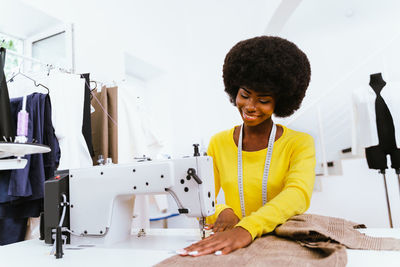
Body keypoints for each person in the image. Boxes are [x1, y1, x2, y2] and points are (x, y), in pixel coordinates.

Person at [178, 36, 316, 256]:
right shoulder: (219, 142)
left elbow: (297, 194)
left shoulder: (299, 143)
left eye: (263, 100)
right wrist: (224, 212)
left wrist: (246, 228)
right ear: (235, 92)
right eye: (245, 95)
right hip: (234, 241)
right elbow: (202, 196)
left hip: (282, 242)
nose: (250, 107)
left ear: (279, 102)